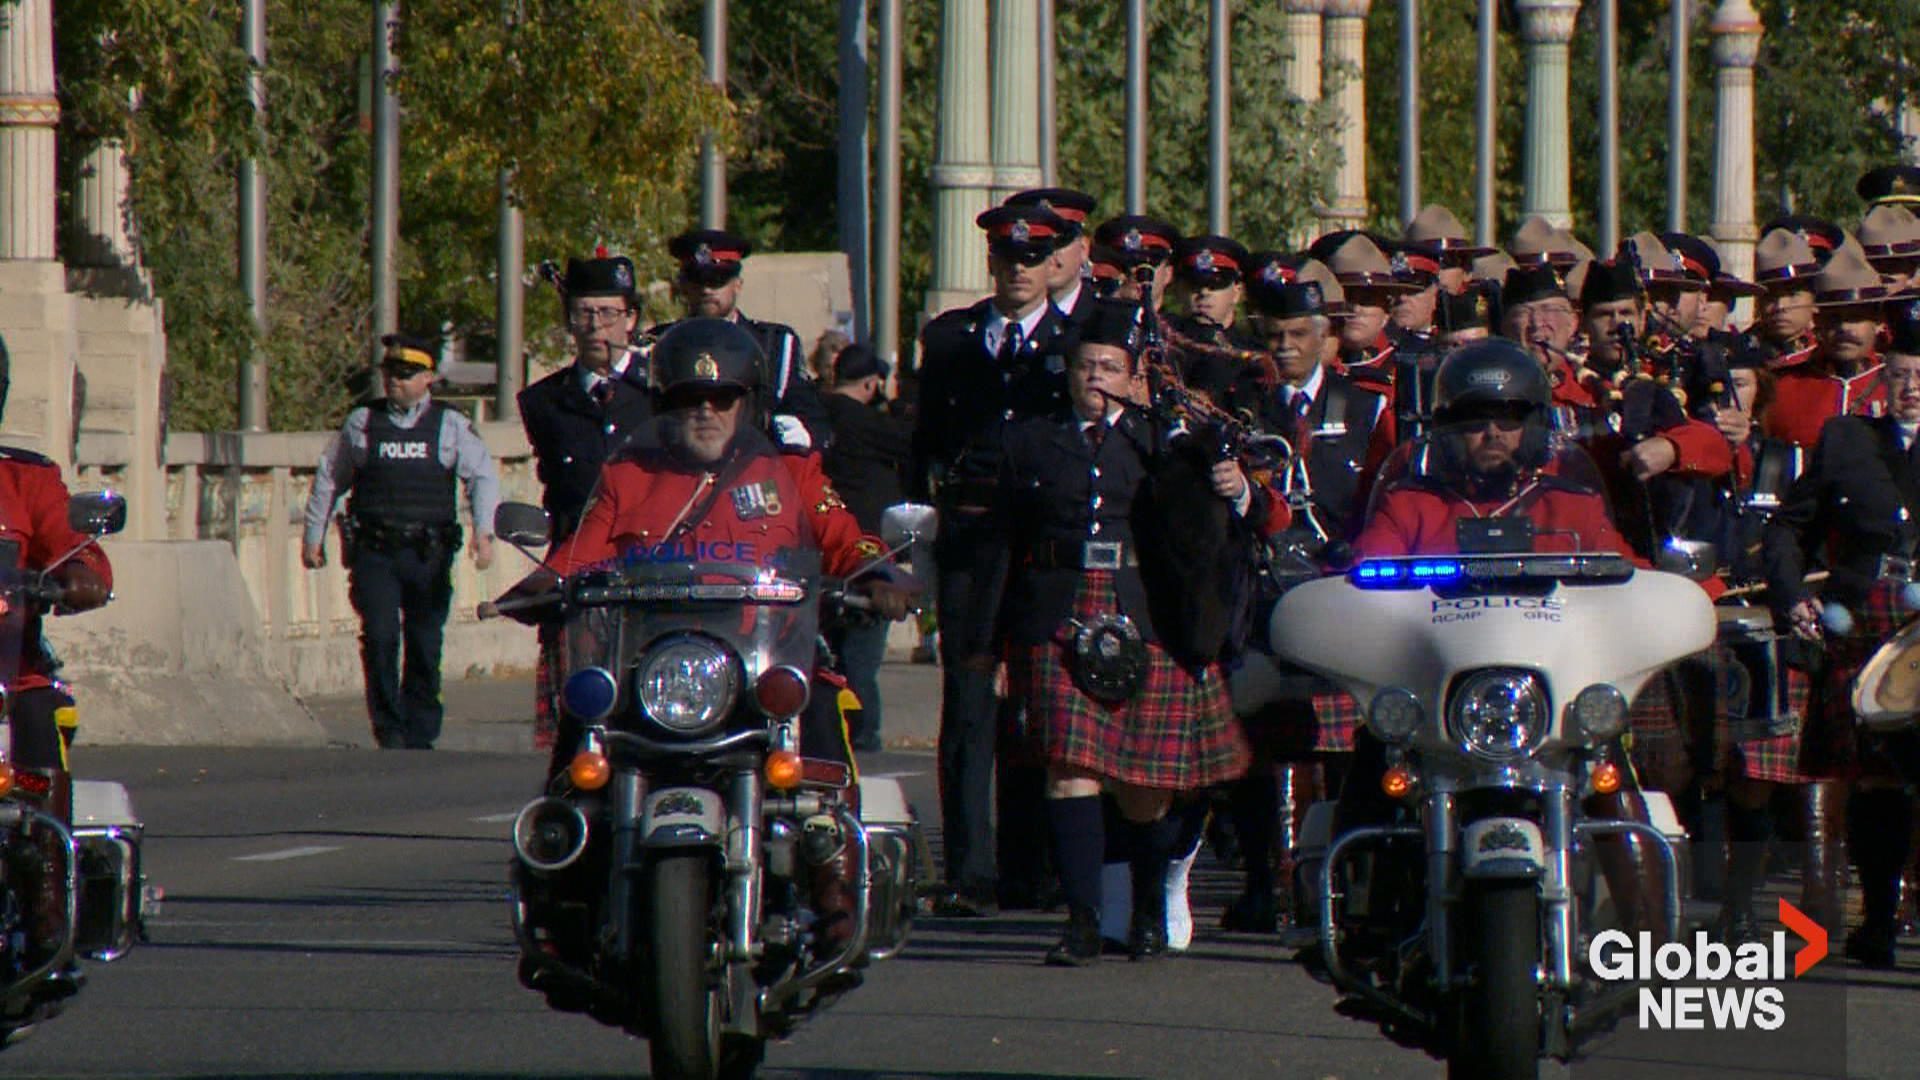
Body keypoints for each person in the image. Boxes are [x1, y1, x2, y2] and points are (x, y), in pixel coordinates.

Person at [504, 318, 912, 955]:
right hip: (654, 668)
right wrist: (538, 587)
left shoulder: (791, 473)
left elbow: (842, 535)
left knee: (823, 700)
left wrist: (879, 571)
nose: (706, 411)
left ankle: (833, 876)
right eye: (690, 399)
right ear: (665, 404)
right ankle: (560, 872)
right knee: (582, 725)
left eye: (721, 399)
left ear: (745, 403)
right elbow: (578, 555)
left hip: (759, 661)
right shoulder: (627, 476)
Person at [985, 300, 1282, 964]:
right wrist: (993, 641)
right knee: (1069, 770)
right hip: (1057, 611)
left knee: (1144, 790)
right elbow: (1000, 546)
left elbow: (1252, 520)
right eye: (1086, 366)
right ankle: (1083, 920)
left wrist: (1237, 488)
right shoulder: (1029, 440)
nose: (1096, 378)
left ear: (1133, 376)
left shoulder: (1163, 443)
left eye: (1109, 368)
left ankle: (1148, 903)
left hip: (1141, 611)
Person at [912, 201, 1077, 916]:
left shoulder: (1078, 341)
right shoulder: (952, 339)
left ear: (1052, 265)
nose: (1019, 272)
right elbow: (923, 440)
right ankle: (971, 869)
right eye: (1008, 261)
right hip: (973, 541)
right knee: (971, 705)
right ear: (991, 264)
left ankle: (1033, 867)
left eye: (1032, 260)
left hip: (1041, 543)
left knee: (1041, 702)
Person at [1761, 326, 1920, 967]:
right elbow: (1788, 528)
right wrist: (1792, 593)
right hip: (1871, 629)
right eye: (1904, 374)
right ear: (1886, 377)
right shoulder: (1848, 439)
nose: (1913, 389)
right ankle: (1878, 919)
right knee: (1878, 787)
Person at [302, 334, 499, 750]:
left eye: (407, 374)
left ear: (429, 377)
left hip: (427, 553)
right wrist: (313, 536)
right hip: (375, 551)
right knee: (380, 636)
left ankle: (421, 729)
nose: (395, 381)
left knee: (425, 642)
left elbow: (481, 478)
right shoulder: (362, 422)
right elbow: (330, 479)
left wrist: (485, 533)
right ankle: (389, 727)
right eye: (390, 373)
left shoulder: (450, 425)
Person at [0, 342, 114, 988]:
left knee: (43, 714)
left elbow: (79, 551)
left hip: (10, 674)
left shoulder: (25, 479)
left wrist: (78, 577)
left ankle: (47, 904)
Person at [517, 256, 656, 751]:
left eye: (609, 313)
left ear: (632, 318)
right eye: (584, 314)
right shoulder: (542, 402)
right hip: (578, 582)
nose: (597, 327)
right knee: (575, 728)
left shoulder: (663, 394)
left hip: (655, 575)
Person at [639, 227, 832, 448]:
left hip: (752, 469)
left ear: (737, 285)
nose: (707, 290)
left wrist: (795, 436)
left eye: (717, 280)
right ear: (683, 286)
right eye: (698, 281)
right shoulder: (659, 343)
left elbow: (811, 419)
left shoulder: (774, 344)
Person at [821, 343, 914, 752]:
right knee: (861, 661)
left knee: (828, 658)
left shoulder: (817, 416)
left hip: (823, 551)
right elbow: (914, 442)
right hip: (865, 558)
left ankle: (830, 733)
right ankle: (862, 737)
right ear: (872, 383)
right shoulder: (867, 423)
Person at [1768, 245, 1890, 449]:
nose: (1843, 328)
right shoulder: (1781, 387)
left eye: (1855, 318)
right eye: (1834, 318)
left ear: (1878, 322)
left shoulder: (1894, 385)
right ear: (1817, 321)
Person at [1004, 187, 1100, 326]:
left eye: (1059, 243)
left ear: (1084, 249)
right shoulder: (994, 320)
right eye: (1036, 246)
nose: (1049, 255)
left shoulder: (1106, 319)